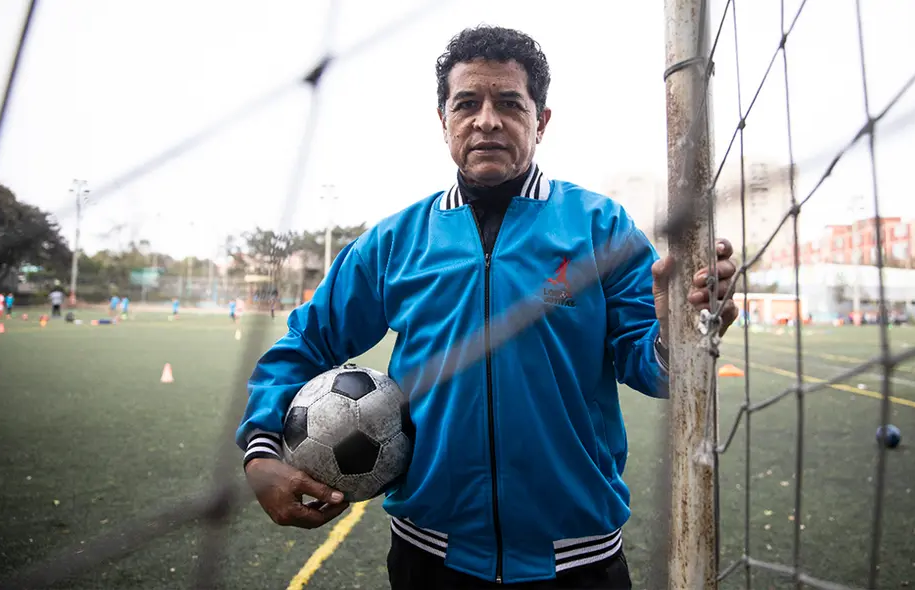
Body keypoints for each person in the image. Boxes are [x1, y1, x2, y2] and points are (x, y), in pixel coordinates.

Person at [236, 26, 739, 589]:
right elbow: (307, 341)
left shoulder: (601, 228)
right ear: (443, 120)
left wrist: (681, 330)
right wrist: (261, 452)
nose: (487, 121)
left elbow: (658, 371)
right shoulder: (396, 241)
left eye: (509, 103)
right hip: (430, 555)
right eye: (467, 104)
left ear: (541, 120)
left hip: (577, 559)